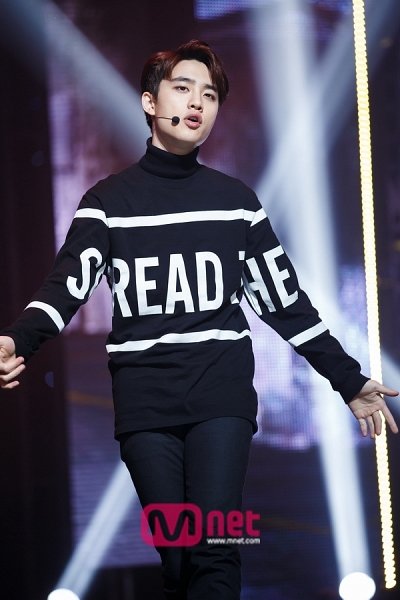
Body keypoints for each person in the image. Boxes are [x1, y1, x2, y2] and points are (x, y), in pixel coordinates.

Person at [0, 40, 398, 600]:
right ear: (149, 101)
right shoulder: (108, 203)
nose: (196, 104)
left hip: (220, 398)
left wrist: (348, 380)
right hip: (145, 403)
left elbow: (285, 303)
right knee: (178, 556)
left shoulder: (236, 202)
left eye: (209, 96)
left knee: (214, 548)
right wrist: (18, 339)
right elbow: (67, 287)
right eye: (182, 88)